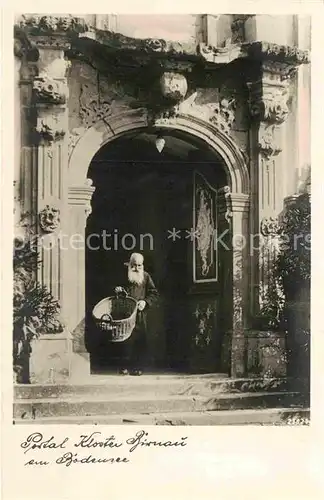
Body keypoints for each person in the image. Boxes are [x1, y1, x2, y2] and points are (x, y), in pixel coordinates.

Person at [114, 253, 158, 375]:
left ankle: (138, 368)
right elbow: (116, 291)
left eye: (139, 265)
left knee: (139, 341)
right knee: (124, 340)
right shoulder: (124, 276)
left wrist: (145, 302)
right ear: (130, 264)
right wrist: (117, 290)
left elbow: (153, 293)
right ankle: (124, 367)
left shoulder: (146, 277)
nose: (136, 268)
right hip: (125, 314)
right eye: (134, 265)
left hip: (139, 315)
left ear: (142, 265)